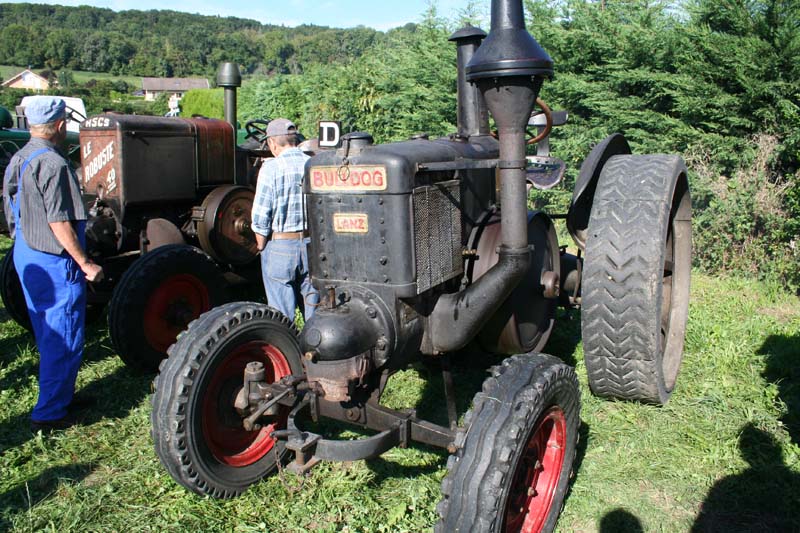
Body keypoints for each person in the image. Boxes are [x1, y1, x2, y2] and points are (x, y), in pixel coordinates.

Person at [2, 96, 103, 432]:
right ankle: (50, 413)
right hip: (54, 259)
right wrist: (85, 262)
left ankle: (61, 396)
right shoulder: (54, 164)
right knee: (63, 335)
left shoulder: (20, 156)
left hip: (26, 251)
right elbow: (59, 222)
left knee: (47, 330)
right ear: (61, 126)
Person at [251, 118, 319, 321]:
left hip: (280, 245)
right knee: (313, 305)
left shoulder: (271, 168)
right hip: (311, 244)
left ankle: (287, 348)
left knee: (282, 315)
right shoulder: (312, 164)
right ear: (295, 139)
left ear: (272, 143)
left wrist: (261, 244)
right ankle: (315, 347)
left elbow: (261, 214)